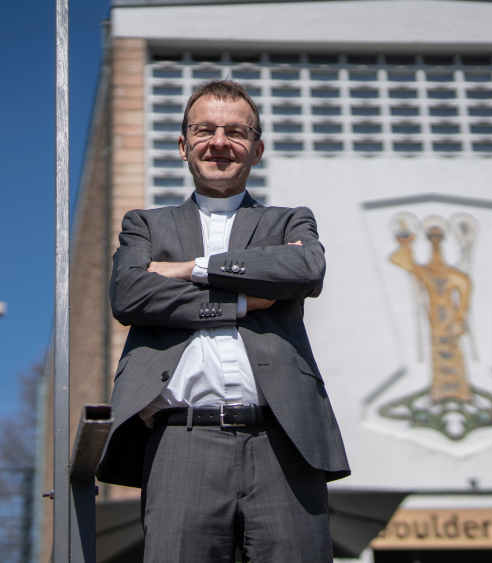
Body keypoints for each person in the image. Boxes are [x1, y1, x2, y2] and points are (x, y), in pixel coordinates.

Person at [97, 80, 350, 562]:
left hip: (283, 442)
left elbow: (304, 269)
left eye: (235, 132)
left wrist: (188, 268)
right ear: (183, 145)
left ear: (257, 149)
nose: (219, 142)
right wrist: (238, 304)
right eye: (204, 130)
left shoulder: (290, 220)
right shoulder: (145, 224)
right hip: (180, 440)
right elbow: (129, 294)